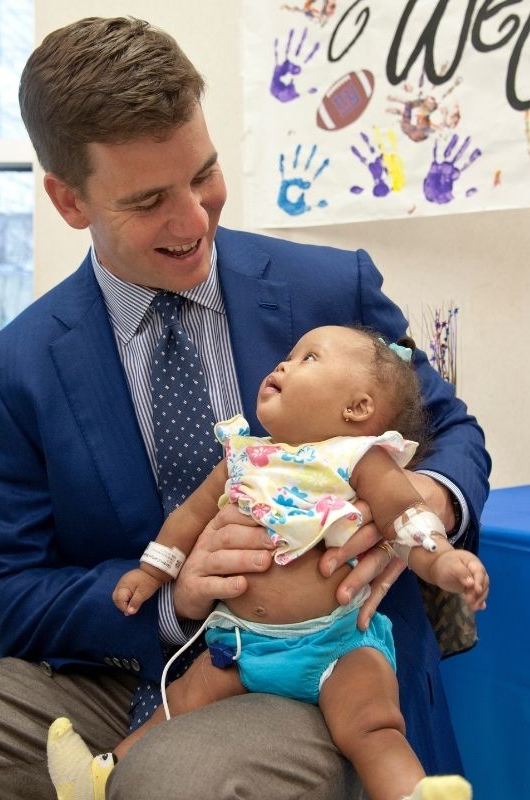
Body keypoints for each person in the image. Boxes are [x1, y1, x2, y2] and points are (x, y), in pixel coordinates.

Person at [0, 16, 491, 800]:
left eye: (204, 174)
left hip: (311, 666)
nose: (194, 220)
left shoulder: (331, 290)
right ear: (68, 200)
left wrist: (417, 505)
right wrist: (171, 596)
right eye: (150, 199)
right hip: (108, 673)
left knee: (174, 780)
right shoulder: (12, 368)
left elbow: (453, 433)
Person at [47, 326, 488, 800]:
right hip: (240, 648)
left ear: (357, 408)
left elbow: (407, 518)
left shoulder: (357, 459)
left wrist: (442, 562)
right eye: (288, 354)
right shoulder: (244, 456)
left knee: (372, 726)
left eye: (308, 359)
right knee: (175, 705)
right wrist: (152, 570)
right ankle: (99, 779)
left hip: (335, 648)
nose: (283, 365)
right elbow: (190, 516)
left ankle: (409, 793)